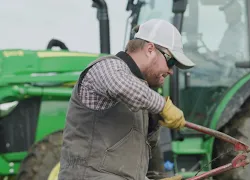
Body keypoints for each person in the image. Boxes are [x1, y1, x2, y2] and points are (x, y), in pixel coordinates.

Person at [58, 19, 195, 180]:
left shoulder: (142, 97)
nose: (171, 71)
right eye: (170, 61)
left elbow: (125, 169)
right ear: (150, 49)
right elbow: (121, 85)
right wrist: (163, 106)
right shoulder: (107, 67)